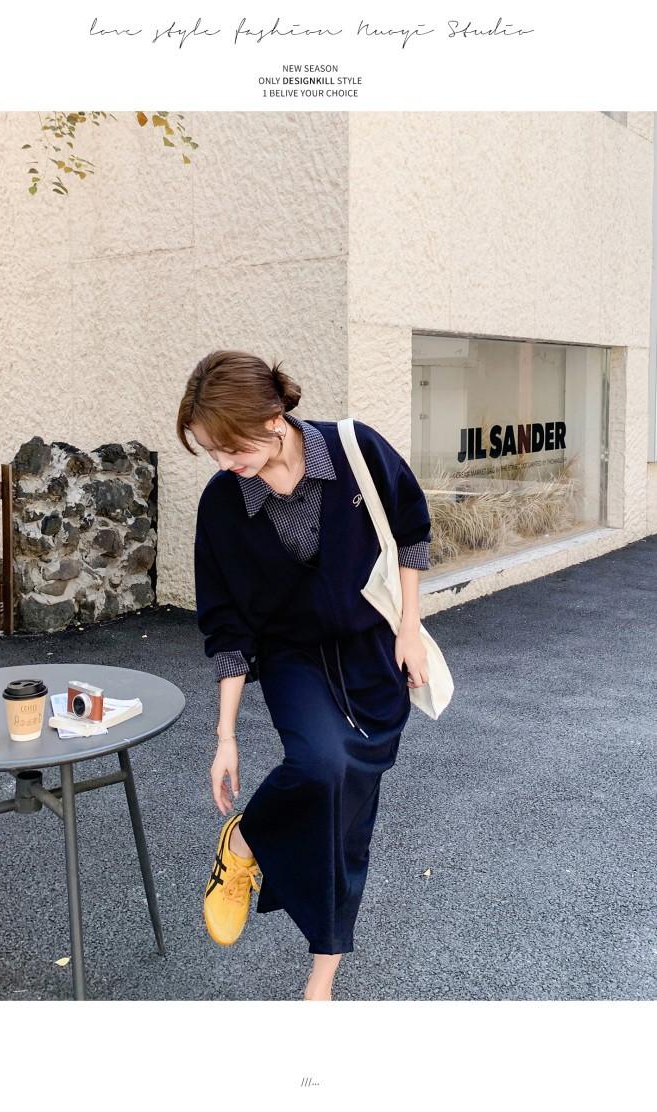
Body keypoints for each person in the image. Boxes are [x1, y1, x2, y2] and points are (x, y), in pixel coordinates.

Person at [176, 349, 432, 1001]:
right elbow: (227, 628)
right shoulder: (222, 505)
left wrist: (409, 627)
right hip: (292, 659)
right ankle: (244, 843)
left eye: (230, 446)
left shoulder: (355, 450)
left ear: (272, 418)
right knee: (319, 766)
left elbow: (411, 530)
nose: (223, 463)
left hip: (373, 652)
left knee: (349, 814)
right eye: (211, 451)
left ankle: (321, 975)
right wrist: (226, 736)